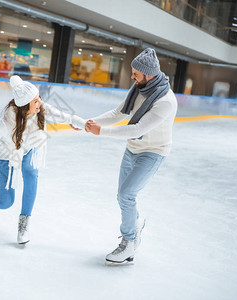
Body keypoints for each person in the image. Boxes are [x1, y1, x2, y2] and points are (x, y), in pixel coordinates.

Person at [0, 75, 86, 244]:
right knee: (6, 202)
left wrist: (84, 124)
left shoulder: (40, 108)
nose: (40, 103)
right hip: (6, 158)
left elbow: (63, 116)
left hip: (28, 152)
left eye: (39, 99)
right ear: (25, 106)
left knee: (31, 175)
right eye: (35, 102)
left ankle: (24, 223)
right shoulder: (7, 123)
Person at [84, 48, 177, 264]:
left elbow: (137, 129)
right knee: (122, 196)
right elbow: (118, 114)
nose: (132, 77)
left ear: (149, 74)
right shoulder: (138, 88)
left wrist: (102, 132)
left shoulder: (165, 101)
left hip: (153, 152)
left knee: (126, 196)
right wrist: (91, 123)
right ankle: (135, 225)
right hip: (132, 149)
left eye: (136, 74)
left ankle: (128, 241)